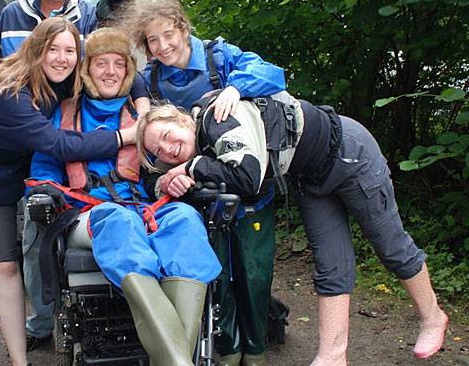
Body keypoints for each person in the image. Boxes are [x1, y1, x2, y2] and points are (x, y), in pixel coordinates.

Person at [137, 94, 449, 366]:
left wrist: (192, 168)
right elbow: (157, 179)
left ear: (181, 119)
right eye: (158, 151)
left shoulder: (216, 120)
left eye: (166, 135)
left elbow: (248, 177)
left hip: (348, 151)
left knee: (391, 246)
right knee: (330, 265)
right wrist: (167, 180)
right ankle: (333, 355)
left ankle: (432, 316)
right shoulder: (197, 145)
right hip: (310, 176)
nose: (167, 149)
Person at [0, 17, 138, 366]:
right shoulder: (11, 92)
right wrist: (124, 137)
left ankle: (19, 361)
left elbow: (118, 74)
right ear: (37, 50)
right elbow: (56, 143)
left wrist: (144, 104)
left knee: (4, 266)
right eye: (54, 49)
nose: (62, 58)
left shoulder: (61, 84)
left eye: (70, 51)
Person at [28, 27, 221, 365]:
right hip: (86, 214)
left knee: (185, 219)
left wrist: (169, 183)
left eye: (119, 64)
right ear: (87, 69)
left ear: (130, 72)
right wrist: (45, 192)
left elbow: (159, 171)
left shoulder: (144, 117)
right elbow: (43, 168)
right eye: (102, 63)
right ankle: (177, 359)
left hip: (140, 207)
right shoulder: (64, 113)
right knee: (117, 221)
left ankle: (176, 357)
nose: (111, 72)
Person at [0, 0, 148, 350]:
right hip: (39, 127)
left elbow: (113, 53)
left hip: (115, 183)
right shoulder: (11, 16)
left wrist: (143, 104)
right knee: (35, 223)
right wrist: (43, 186)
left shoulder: (89, 17)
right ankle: (42, 321)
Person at [122, 0, 286, 366]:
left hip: (247, 185)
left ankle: (256, 350)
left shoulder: (219, 58)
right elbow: (150, 151)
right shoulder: (149, 81)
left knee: (255, 272)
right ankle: (228, 349)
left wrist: (236, 87)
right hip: (197, 193)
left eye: (169, 34)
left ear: (182, 27)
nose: (163, 46)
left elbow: (273, 74)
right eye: (152, 41)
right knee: (217, 275)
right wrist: (164, 184)